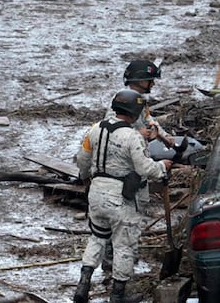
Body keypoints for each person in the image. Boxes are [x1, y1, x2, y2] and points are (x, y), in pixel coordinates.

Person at [73, 90, 171, 303]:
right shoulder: (132, 136)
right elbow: (145, 168)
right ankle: (117, 296)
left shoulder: (95, 128)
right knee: (123, 245)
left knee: (97, 237)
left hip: (97, 193)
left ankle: (83, 284)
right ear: (134, 113)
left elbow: (82, 159)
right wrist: (162, 167)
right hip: (120, 197)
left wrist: (85, 178)